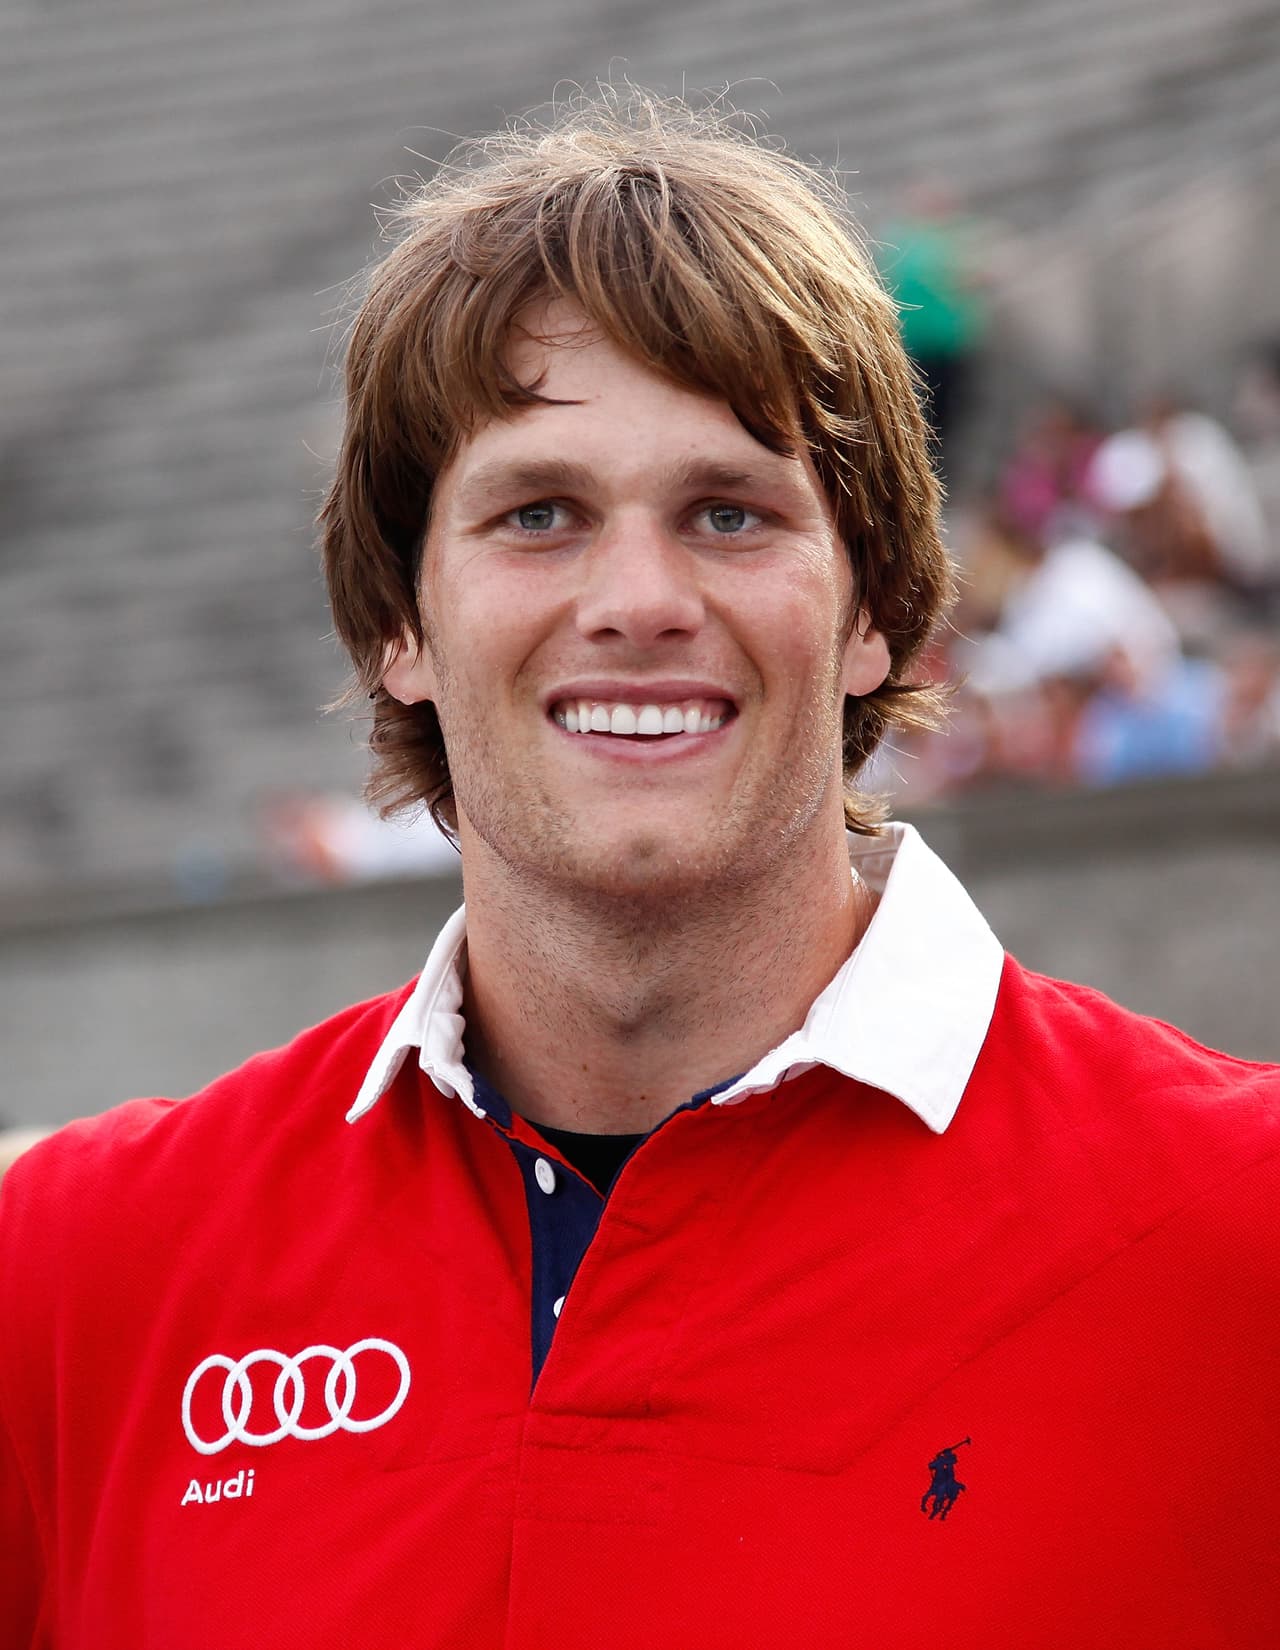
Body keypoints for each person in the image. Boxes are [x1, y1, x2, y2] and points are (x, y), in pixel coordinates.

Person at [1, 92, 1276, 1649]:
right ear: (400, 622)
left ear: (874, 605)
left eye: (729, 511)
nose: (639, 597)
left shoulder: (1240, 1238)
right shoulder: (75, 1280)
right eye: (539, 513)